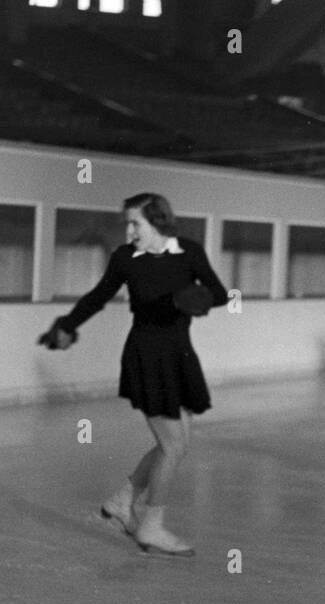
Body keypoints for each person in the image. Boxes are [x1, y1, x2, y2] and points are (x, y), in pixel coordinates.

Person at [38, 193, 228, 557]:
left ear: (157, 222)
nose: (129, 230)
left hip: (179, 355)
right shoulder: (125, 259)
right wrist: (66, 325)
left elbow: (219, 293)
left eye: (135, 223)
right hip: (147, 356)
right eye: (127, 223)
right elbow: (98, 297)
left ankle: (123, 500)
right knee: (173, 446)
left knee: (176, 444)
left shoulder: (188, 252)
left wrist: (194, 298)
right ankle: (151, 527)